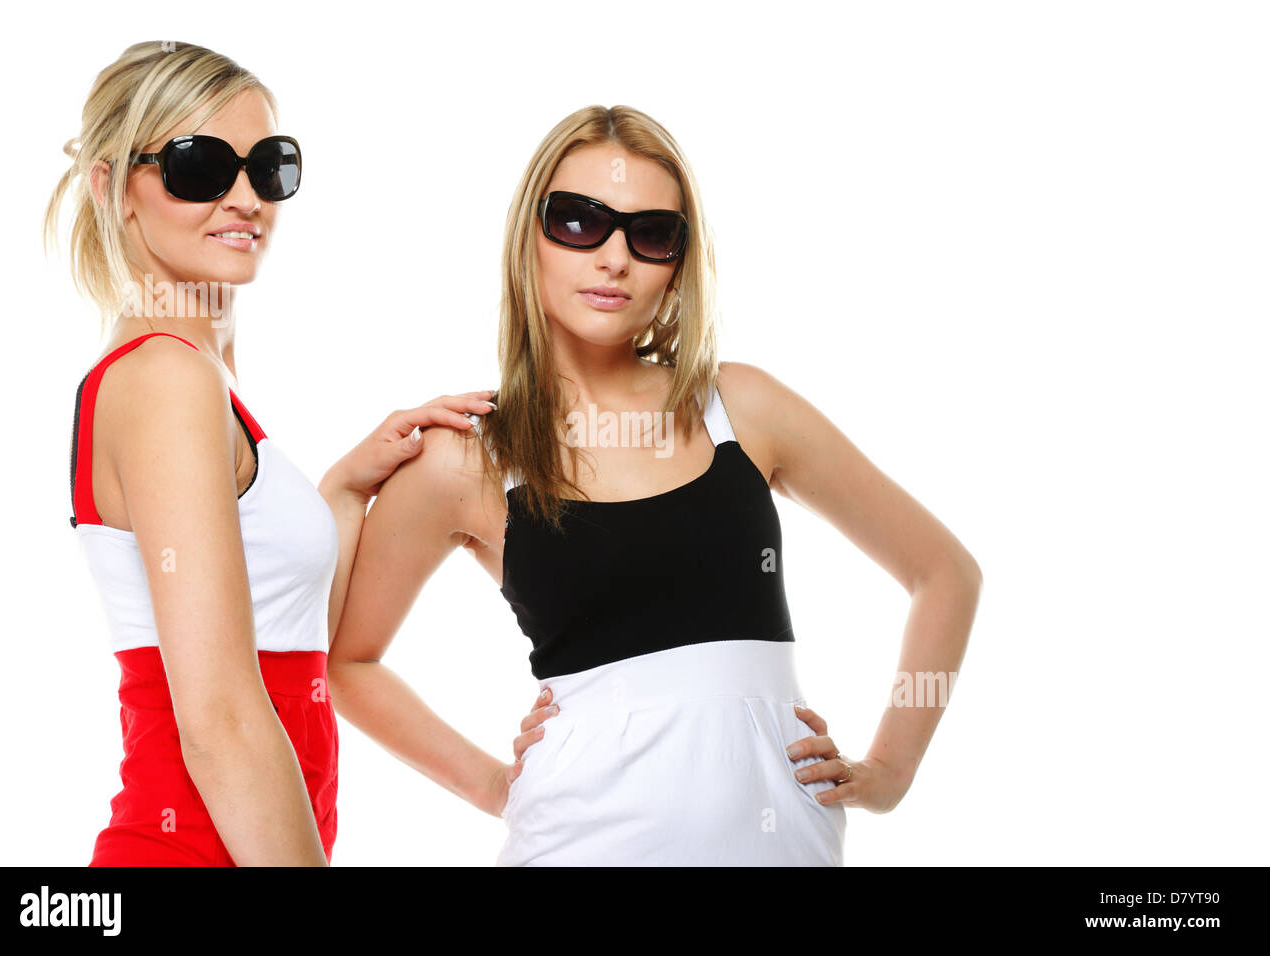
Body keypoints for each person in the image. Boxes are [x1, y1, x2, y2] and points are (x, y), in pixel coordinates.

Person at [328, 105, 983, 865]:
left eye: (650, 234)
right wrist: (494, 785)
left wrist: (892, 771)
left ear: (678, 260)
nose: (613, 258)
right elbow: (347, 663)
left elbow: (945, 574)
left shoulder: (740, 407)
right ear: (528, 238)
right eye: (578, 222)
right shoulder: (469, 455)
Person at [47, 41, 494, 865]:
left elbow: (284, 650)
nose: (246, 198)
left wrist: (343, 489)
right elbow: (218, 718)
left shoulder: (195, 381)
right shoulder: (165, 380)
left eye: (269, 167)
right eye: (199, 167)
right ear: (115, 189)